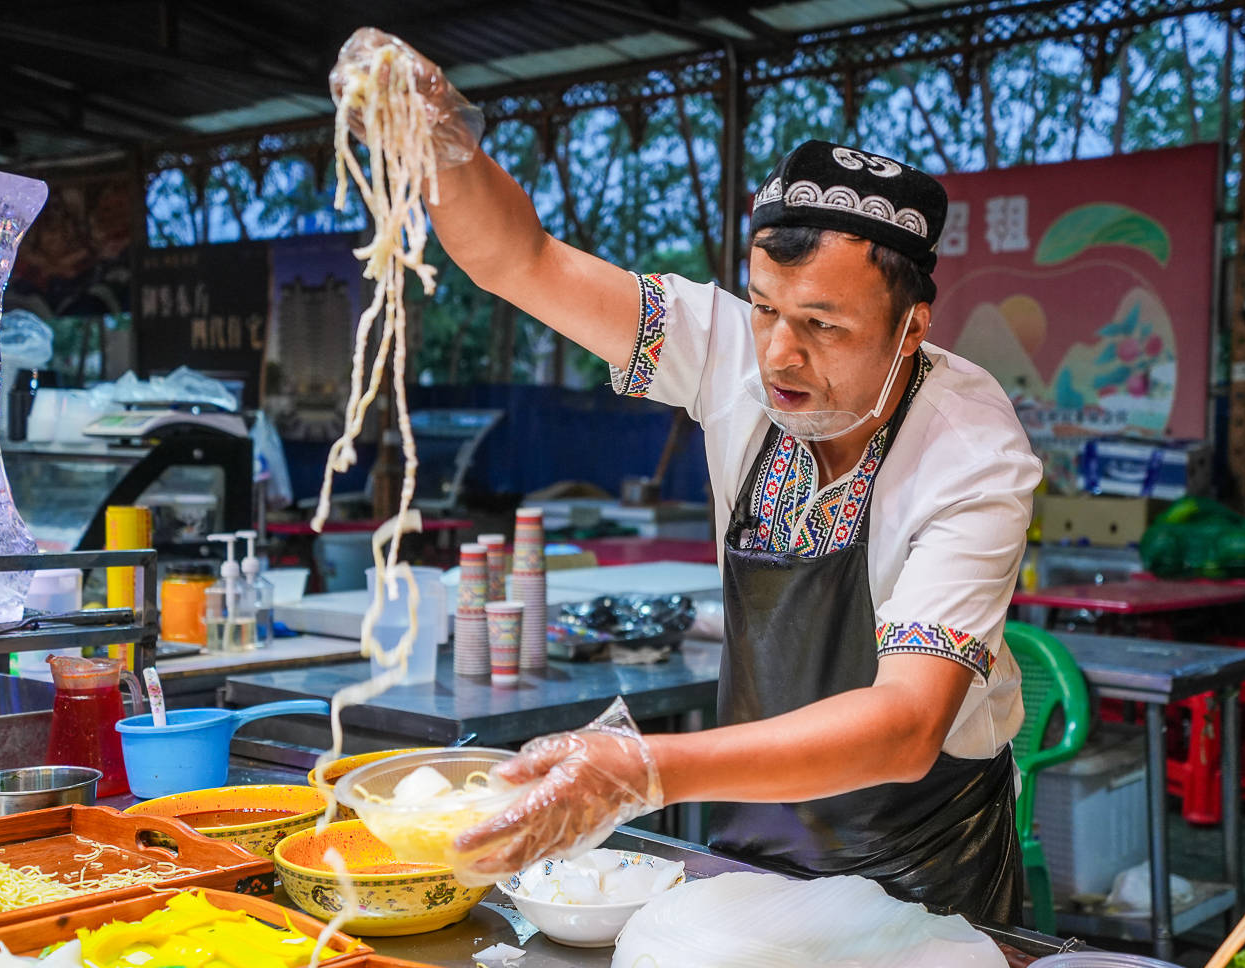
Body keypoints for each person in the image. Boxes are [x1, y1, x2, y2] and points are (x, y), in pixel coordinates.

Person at [332, 31, 1042, 923]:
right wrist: (441, 140)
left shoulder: (973, 453)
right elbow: (521, 260)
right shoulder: (723, 351)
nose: (780, 354)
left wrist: (646, 768)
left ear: (912, 325)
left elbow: (905, 726)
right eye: (766, 309)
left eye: (824, 325)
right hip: (750, 833)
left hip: (921, 863)